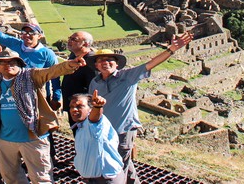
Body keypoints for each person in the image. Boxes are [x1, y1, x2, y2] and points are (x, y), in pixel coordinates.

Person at [87, 32, 194, 184]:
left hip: (123, 130)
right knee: (125, 162)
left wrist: (172, 49)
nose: (105, 62)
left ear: (116, 63)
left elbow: (151, 63)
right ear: (97, 65)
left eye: (110, 59)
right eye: (101, 60)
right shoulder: (94, 83)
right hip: (103, 132)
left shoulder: (128, 76)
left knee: (118, 166)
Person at [0, 49, 86, 184]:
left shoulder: (31, 76)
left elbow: (52, 71)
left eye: (12, 62)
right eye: (3, 62)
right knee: (11, 178)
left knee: (41, 179)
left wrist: (71, 64)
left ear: (19, 64)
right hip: (4, 139)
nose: (8, 65)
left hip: (33, 137)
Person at [70, 91, 125, 184]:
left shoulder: (93, 124)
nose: (73, 110)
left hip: (106, 180)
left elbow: (95, 118)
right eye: (71, 107)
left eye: (79, 106)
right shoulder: (81, 126)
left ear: (90, 109)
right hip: (94, 179)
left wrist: (97, 107)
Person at [62, 31, 96, 124]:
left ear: (85, 43)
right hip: (73, 106)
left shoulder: (91, 62)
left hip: (82, 109)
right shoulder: (73, 55)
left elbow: (93, 88)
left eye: (74, 39)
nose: (69, 41)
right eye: (70, 38)